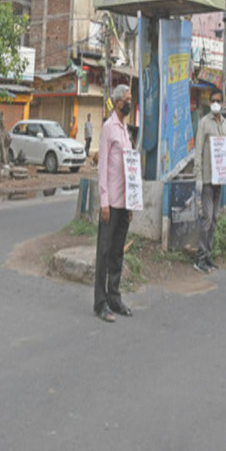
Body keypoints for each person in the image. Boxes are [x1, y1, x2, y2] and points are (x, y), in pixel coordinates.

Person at [94, 85, 134, 322]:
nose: (130, 102)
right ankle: (100, 303)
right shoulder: (109, 128)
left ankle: (114, 297)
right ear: (118, 102)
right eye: (127, 99)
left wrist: (130, 203)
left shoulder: (125, 130)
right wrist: (104, 202)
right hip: (110, 204)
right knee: (104, 252)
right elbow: (103, 168)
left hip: (124, 202)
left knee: (118, 252)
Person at [193, 87, 226, 273]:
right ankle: (200, 258)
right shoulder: (203, 123)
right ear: (209, 102)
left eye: (218, 100)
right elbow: (198, 150)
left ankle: (208, 255)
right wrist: (198, 175)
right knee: (206, 218)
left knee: (214, 219)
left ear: (222, 102)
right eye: (212, 100)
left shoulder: (224, 123)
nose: (215, 103)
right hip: (207, 178)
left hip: (220, 178)